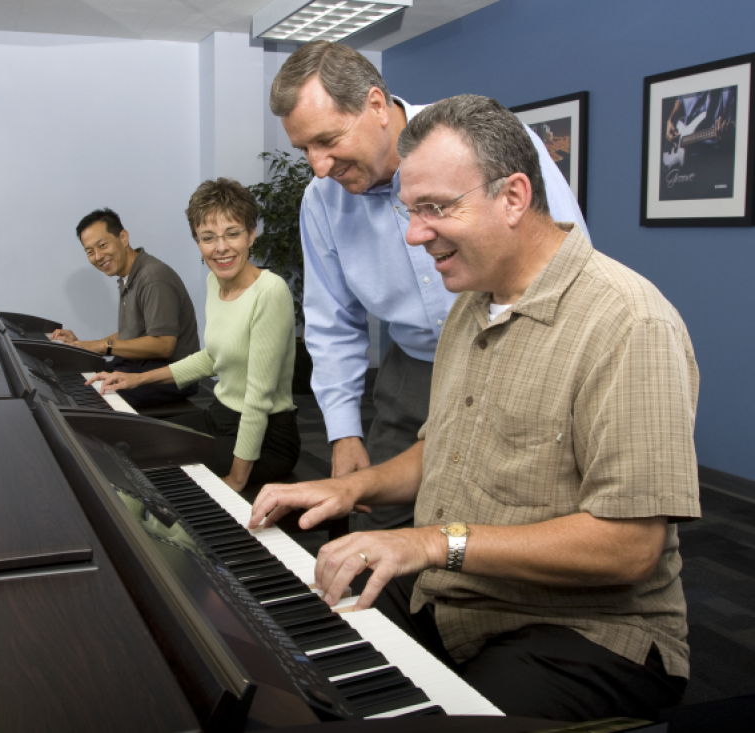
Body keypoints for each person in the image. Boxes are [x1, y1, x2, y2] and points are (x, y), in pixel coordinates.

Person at [249, 95, 701, 722]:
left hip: (584, 633)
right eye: (411, 211)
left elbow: (629, 547)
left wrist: (433, 544)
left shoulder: (629, 322)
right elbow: (444, 450)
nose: (414, 233)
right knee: (296, 655)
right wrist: (350, 488)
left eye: (436, 209)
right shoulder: (472, 302)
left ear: (514, 196)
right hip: (464, 595)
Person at [270, 41, 589, 532]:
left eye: (328, 139)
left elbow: (564, 255)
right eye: (303, 149)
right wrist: (343, 432)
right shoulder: (321, 203)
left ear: (376, 105)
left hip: (518, 357)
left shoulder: (483, 142)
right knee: (380, 525)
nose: (318, 165)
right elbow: (333, 323)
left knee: (508, 517)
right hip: (413, 372)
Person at [89, 179, 300, 492]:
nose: (221, 247)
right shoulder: (216, 283)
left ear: (251, 234)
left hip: (267, 437)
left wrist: (236, 478)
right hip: (220, 417)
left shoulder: (270, 292)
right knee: (131, 445)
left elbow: (258, 398)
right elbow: (213, 357)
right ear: (198, 242)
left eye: (233, 233)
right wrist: (136, 379)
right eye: (208, 238)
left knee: (162, 474)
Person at [51, 208, 200, 409]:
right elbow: (132, 333)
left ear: (123, 237)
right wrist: (82, 344)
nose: (98, 256)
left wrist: (103, 346)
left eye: (102, 245)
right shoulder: (129, 275)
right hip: (141, 363)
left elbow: (164, 345)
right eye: (90, 251)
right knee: (75, 374)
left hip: (170, 375)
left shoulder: (153, 278)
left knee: (90, 398)